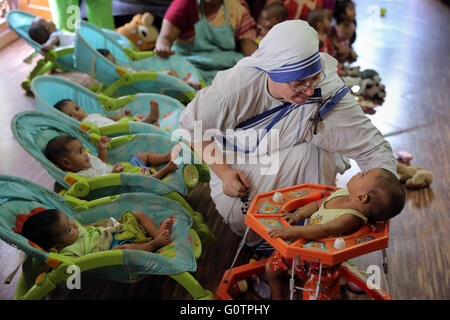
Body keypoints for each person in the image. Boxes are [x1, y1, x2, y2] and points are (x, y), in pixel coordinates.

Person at [177, 20, 397, 253]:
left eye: (313, 79)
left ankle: (313, 243)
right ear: (273, 73)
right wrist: (224, 173)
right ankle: (270, 247)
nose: (310, 90)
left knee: (320, 150)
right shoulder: (234, 90)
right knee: (249, 222)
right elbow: (191, 126)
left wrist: (378, 207)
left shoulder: (325, 87)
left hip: (289, 156)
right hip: (238, 169)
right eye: (299, 83)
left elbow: (373, 148)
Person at [265, 168, 405, 299]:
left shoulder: (350, 218)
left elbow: (324, 229)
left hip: (322, 265)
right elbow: (317, 205)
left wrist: (291, 231)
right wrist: (298, 215)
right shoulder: (343, 193)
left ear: (362, 197)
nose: (358, 173)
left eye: (362, 175)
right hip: (299, 247)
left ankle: (339, 282)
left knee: (313, 296)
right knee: (271, 269)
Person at [154, 0, 258, 84]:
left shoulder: (237, 7)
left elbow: (248, 44)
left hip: (223, 67)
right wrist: (163, 47)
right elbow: (165, 37)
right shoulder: (184, 3)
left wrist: (260, 63)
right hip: (188, 64)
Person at [21, 208, 174, 256]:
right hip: (116, 245)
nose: (74, 225)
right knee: (124, 250)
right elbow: (73, 264)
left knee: (137, 214)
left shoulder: (76, 228)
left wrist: (116, 221)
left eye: (69, 220)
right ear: (56, 245)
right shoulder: (69, 251)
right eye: (68, 229)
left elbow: (93, 226)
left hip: (115, 230)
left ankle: (156, 233)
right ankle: (155, 243)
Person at [45, 135, 179, 180]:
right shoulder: (81, 176)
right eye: (80, 152)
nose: (86, 153)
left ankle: (165, 157)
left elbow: (102, 162)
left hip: (121, 167)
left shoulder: (87, 159)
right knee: (143, 179)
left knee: (141, 156)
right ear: (67, 163)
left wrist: (102, 148)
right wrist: (113, 174)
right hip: (120, 179)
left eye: (83, 149)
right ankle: (165, 171)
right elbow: (100, 186)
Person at [97, 49, 202, 90]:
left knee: (171, 72)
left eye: (114, 60)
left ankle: (184, 84)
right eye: (112, 63)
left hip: (149, 76)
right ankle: (188, 85)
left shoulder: (120, 68)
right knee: (169, 74)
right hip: (146, 81)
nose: (115, 64)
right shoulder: (116, 73)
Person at [53, 99, 160, 127]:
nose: (77, 114)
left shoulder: (92, 115)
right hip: (115, 132)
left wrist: (122, 115)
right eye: (71, 116)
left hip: (117, 123)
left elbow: (111, 119)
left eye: (77, 109)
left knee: (136, 116)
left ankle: (148, 120)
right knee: (132, 123)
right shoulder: (82, 127)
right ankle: (149, 120)